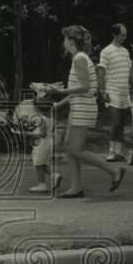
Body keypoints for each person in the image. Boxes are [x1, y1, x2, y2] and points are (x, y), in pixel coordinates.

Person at [52, 25, 126, 198]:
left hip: (84, 108)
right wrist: (59, 104)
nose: (63, 42)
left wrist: (59, 91)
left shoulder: (79, 59)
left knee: (75, 150)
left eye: (65, 39)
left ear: (71, 41)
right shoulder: (80, 58)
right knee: (70, 147)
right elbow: (78, 89)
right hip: (79, 106)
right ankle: (76, 187)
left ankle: (114, 171)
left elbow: (85, 88)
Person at [97, 23, 133, 162]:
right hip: (112, 90)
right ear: (114, 35)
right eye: (122, 35)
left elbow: (130, 72)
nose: (124, 38)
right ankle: (111, 151)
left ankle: (119, 151)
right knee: (116, 121)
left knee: (121, 122)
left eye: (125, 35)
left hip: (124, 92)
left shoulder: (125, 52)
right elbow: (101, 72)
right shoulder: (106, 51)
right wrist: (102, 91)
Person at [27, 96, 61, 193]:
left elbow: (42, 134)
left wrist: (29, 134)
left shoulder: (41, 119)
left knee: (38, 164)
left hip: (42, 143)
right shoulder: (50, 118)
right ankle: (54, 176)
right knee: (42, 164)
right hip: (49, 142)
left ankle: (42, 184)